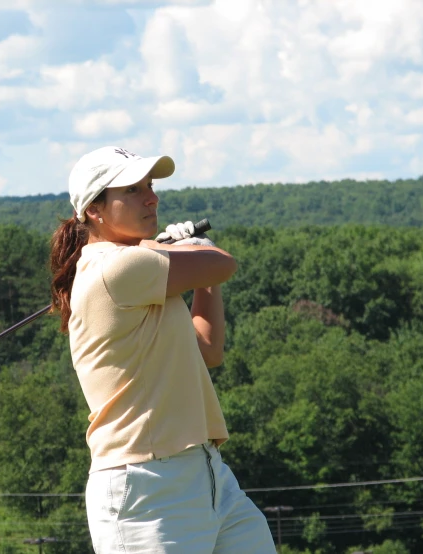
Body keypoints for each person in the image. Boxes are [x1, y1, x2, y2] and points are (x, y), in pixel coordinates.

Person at [49, 146, 276, 553]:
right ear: (95, 211)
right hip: (145, 487)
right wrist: (184, 247)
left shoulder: (141, 267)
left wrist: (189, 262)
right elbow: (222, 261)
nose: (151, 197)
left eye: (150, 186)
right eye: (133, 190)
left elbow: (208, 350)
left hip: (206, 473)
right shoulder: (118, 267)